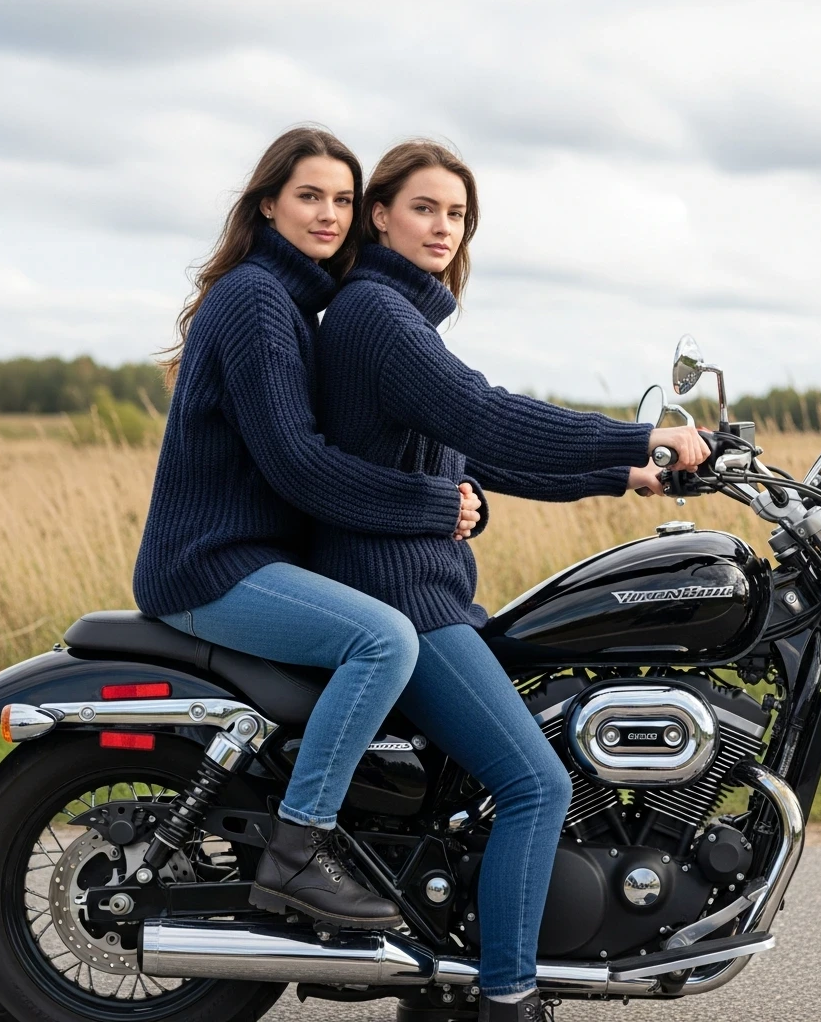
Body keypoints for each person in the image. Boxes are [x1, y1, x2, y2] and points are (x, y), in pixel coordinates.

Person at [311, 139, 709, 1020]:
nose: (443, 228)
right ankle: (507, 998)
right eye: (424, 208)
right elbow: (486, 416)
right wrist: (635, 437)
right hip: (401, 598)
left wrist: (622, 476)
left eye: (457, 215)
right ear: (379, 215)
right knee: (539, 784)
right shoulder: (377, 313)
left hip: (419, 588)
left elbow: (474, 448)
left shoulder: (395, 318)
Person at [132, 127, 485, 932]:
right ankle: (298, 849)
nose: (328, 214)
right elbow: (300, 464)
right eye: (309, 196)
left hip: (248, 559)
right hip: (209, 568)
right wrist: (432, 507)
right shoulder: (259, 300)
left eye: (340, 200)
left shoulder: (291, 302)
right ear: (268, 204)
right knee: (383, 641)